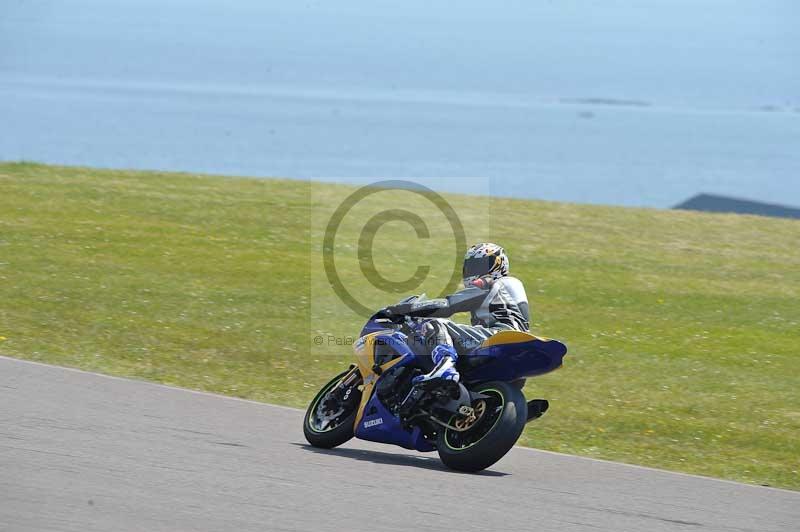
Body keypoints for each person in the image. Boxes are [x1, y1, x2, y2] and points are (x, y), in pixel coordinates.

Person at [384, 243, 530, 384]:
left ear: (498, 264)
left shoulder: (490, 283)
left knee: (435, 325)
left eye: (479, 266)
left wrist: (402, 309)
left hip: (500, 336)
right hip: (520, 350)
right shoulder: (513, 288)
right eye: (471, 267)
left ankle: (444, 366)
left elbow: (448, 305)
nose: (474, 272)